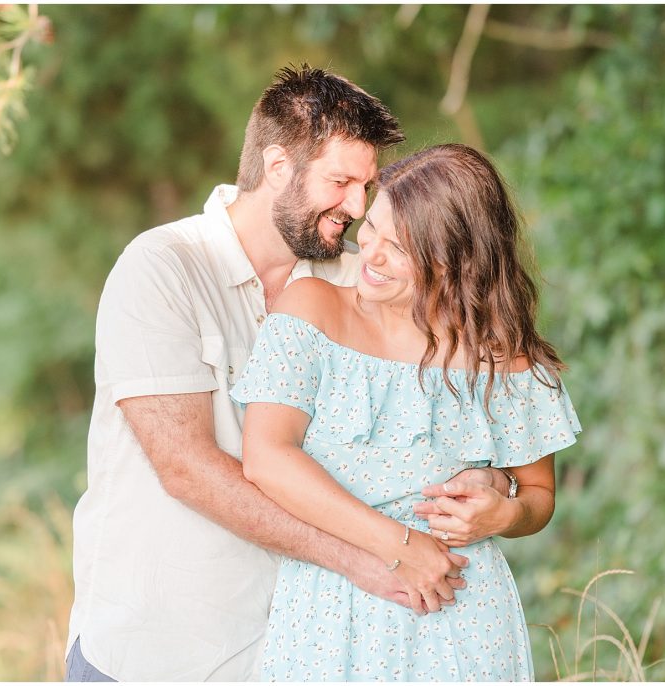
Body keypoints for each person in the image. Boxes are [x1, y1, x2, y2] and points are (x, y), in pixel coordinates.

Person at [65, 66, 514, 682]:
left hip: (309, 650)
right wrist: (366, 555)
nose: (357, 208)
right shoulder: (164, 268)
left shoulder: (365, 281)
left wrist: (488, 481)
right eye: (341, 181)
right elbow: (186, 468)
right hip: (157, 649)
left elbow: (456, 401)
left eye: (367, 186)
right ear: (278, 167)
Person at [232, 143, 582, 681]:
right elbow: (265, 458)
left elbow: (539, 495)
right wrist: (399, 548)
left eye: (398, 248)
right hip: (329, 616)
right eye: (371, 227)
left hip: (461, 613)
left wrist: (504, 512)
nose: (367, 254)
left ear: (456, 261)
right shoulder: (312, 310)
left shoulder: (506, 360)